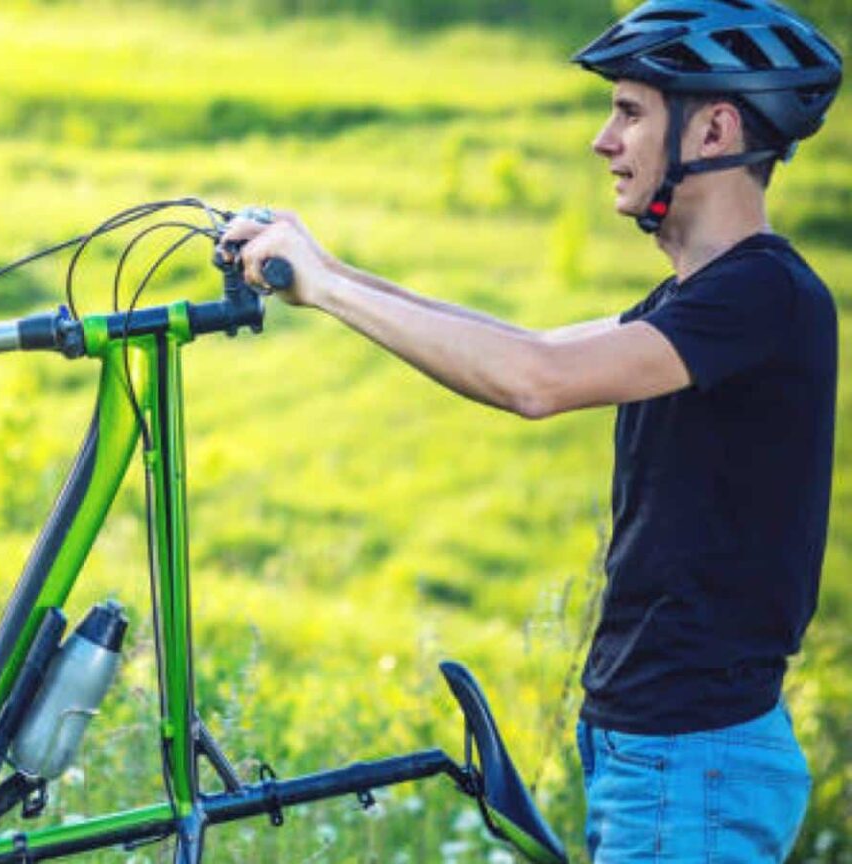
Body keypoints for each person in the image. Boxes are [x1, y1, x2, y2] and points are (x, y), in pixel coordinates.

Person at [219, 1, 841, 860]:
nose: (603, 140)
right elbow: (533, 346)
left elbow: (534, 383)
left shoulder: (764, 297)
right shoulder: (699, 305)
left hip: (691, 764)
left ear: (715, 130)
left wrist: (326, 289)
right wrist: (325, 270)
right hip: (662, 756)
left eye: (629, 112)